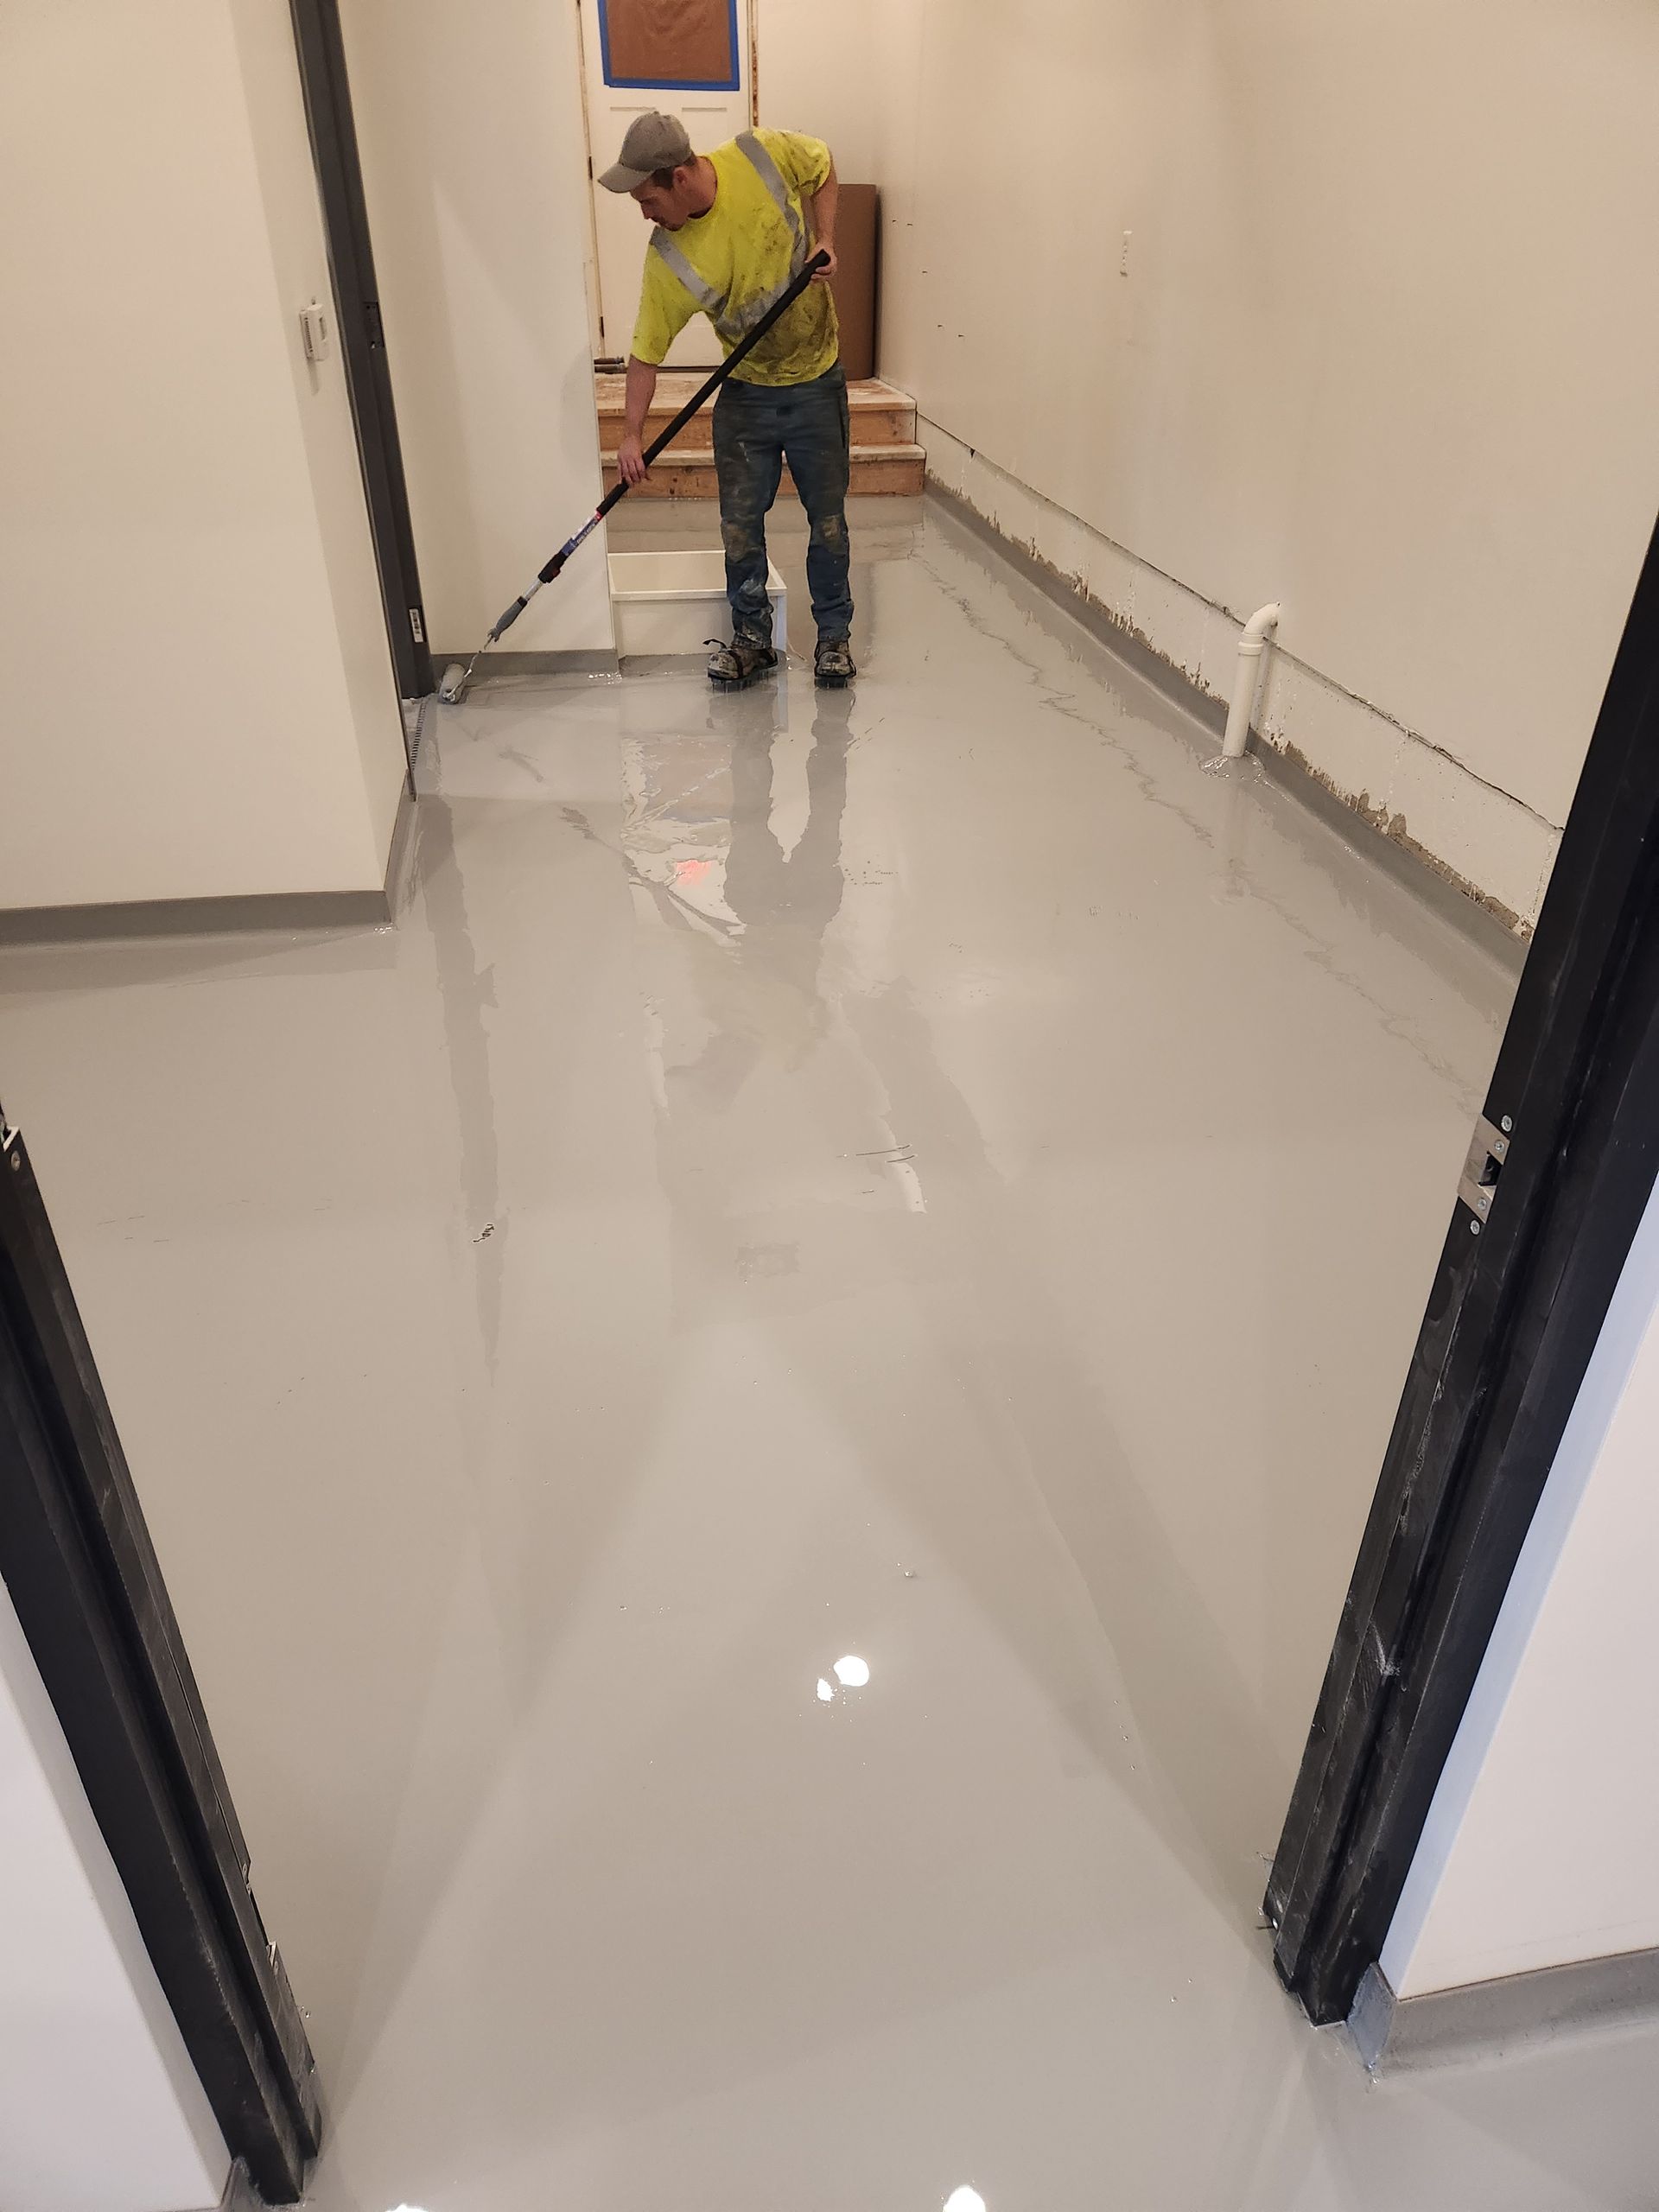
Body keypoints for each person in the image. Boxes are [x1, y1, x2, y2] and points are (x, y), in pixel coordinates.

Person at [600, 111, 855, 693]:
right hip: (747, 393)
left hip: (816, 378)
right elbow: (645, 353)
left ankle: (833, 638)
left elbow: (823, 167)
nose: (645, 214)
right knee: (740, 526)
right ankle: (752, 640)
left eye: (648, 200)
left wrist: (826, 239)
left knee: (828, 521)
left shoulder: (760, 153)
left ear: (679, 177)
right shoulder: (668, 255)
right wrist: (632, 434)